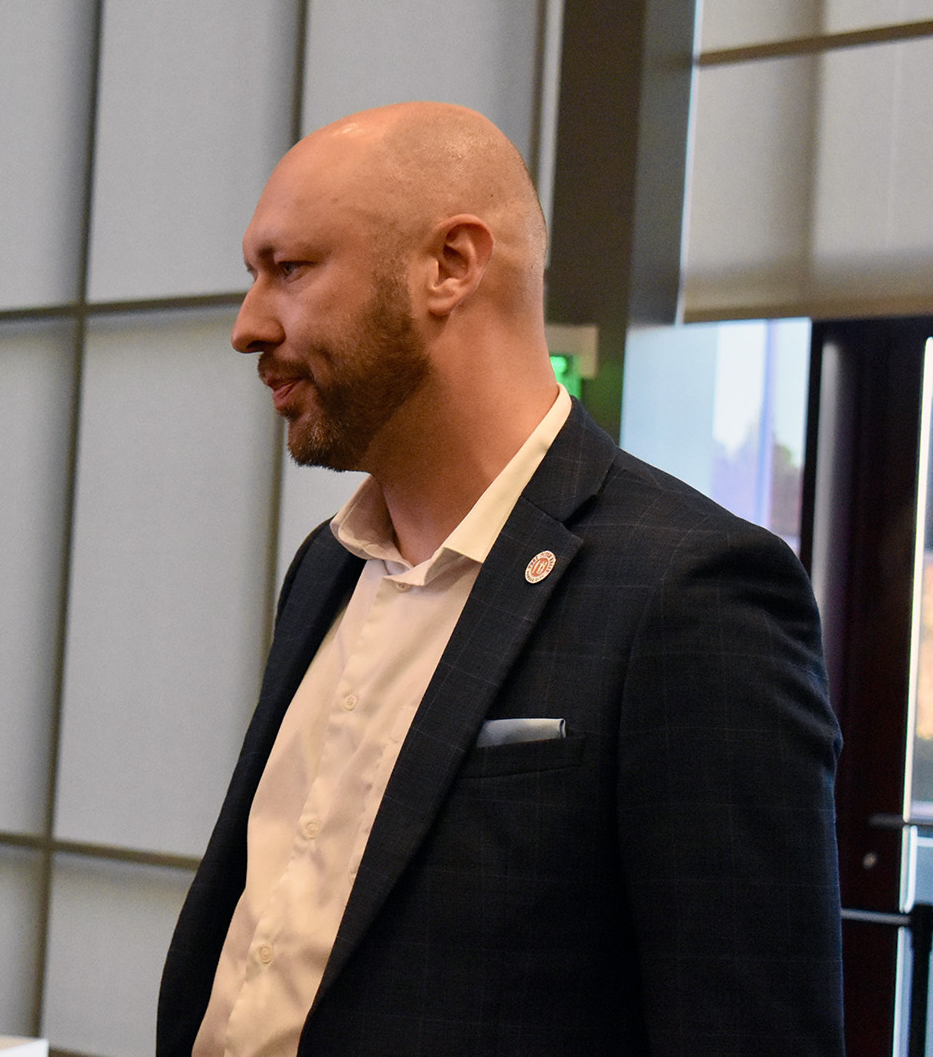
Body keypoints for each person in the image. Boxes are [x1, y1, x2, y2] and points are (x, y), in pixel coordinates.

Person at [158, 103, 843, 1056]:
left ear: (451, 265)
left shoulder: (690, 592)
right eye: (253, 274)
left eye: (292, 268)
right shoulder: (326, 566)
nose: (248, 325)